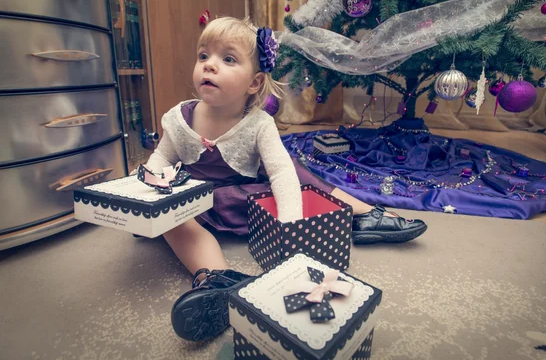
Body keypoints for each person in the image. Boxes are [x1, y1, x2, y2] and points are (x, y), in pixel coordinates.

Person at [142, 17, 427, 343]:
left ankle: (361, 214)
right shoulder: (180, 117)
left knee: (291, 170)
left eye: (228, 59)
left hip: (243, 198)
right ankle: (217, 279)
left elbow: (280, 176)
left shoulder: (258, 123)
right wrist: (151, 192)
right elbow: (162, 158)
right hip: (199, 201)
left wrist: (289, 224)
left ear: (254, 82)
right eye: (203, 56)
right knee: (174, 219)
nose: (209, 66)